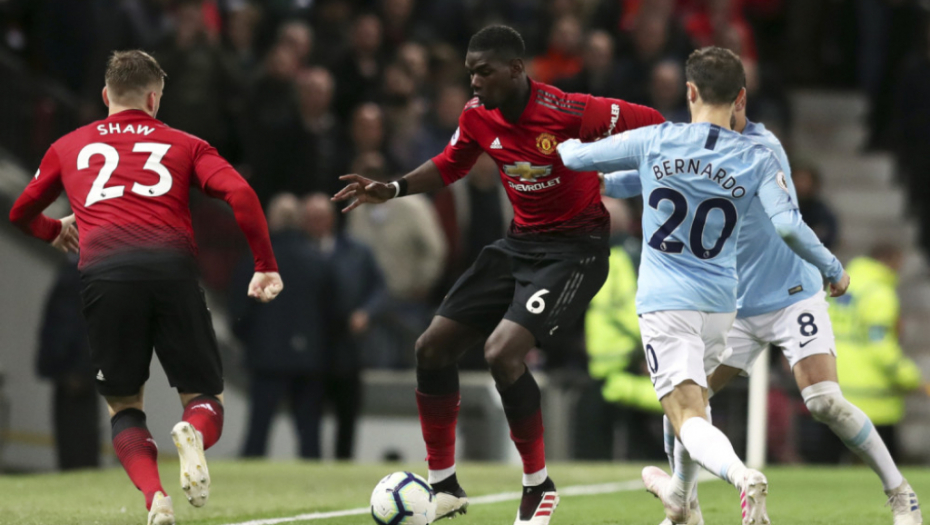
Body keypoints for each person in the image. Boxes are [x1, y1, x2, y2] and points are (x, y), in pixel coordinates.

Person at [333, 24, 664, 524]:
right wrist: (394, 188)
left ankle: (538, 486)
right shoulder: (476, 115)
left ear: (515, 69)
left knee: (501, 352)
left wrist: (633, 174)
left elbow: (654, 123)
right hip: (519, 245)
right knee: (431, 348)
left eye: (483, 72)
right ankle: (444, 487)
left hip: (574, 252)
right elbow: (452, 163)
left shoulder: (570, 110)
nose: (474, 82)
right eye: (470, 72)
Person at [602, 84, 923, 525]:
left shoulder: (761, 148)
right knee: (686, 399)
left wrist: (831, 268)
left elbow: (788, 224)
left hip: (791, 295)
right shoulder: (696, 146)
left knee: (824, 402)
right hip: (736, 305)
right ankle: (683, 504)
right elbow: (648, 172)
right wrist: (601, 179)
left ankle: (900, 492)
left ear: (737, 103)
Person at [558, 46, 849, 525]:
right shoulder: (755, 156)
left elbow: (575, 158)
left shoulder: (657, 139)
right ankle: (682, 505)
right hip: (720, 304)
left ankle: (740, 476)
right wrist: (833, 269)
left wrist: (554, 134)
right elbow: (789, 225)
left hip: (667, 302)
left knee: (686, 414)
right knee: (695, 406)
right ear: (739, 98)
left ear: (689, 91)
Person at [8, 50, 282, 525]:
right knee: (204, 398)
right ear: (154, 99)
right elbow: (240, 193)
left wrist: (54, 231)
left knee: (124, 406)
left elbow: (19, 213)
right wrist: (265, 265)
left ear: (105, 95)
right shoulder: (185, 144)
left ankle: (156, 499)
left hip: (105, 276)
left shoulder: (67, 146)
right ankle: (193, 433)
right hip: (172, 271)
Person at [230, 194, 332, 459]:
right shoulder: (317, 260)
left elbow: (239, 312)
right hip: (308, 358)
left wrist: (251, 341)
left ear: (270, 221)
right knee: (309, 433)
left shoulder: (255, 261)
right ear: (300, 221)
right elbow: (333, 311)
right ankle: (314, 479)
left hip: (266, 359)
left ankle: (251, 474)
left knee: (258, 430)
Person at [302, 193, 387, 459]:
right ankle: (310, 462)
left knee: (347, 411)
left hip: (348, 345)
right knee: (309, 414)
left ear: (332, 219)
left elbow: (379, 288)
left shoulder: (357, 251)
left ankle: (344, 460)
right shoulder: (296, 251)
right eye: (311, 218)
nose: (317, 224)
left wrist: (365, 313)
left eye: (321, 218)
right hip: (311, 348)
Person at [830, 245, 923, 464]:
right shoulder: (879, 293)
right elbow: (881, 346)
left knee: (834, 465)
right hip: (873, 398)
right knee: (883, 468)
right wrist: (910, 377)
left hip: (836, 388)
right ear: (891, 262)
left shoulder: (839, 287)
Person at [36, 256, 100, 471]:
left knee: (73, 442)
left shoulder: (73, 276)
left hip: (72, 373)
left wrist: (74, 369)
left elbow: (69, 326)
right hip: (84, 370)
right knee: (84, 439)